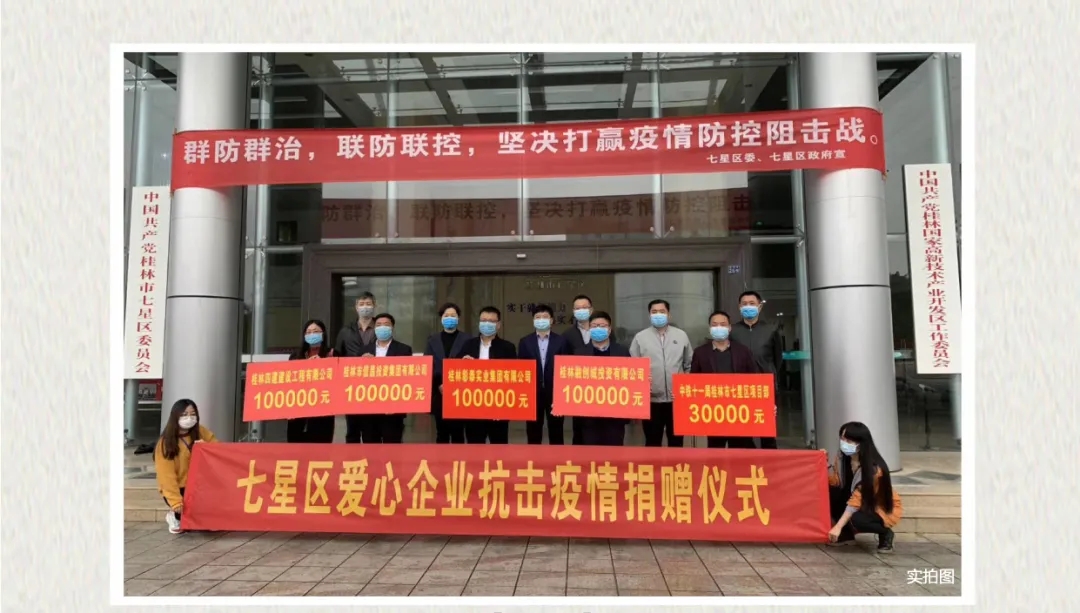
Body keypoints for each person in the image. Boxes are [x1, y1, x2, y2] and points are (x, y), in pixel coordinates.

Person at [826, 421, 902, 553]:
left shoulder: (874, 469)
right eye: (842, 438)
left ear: (861, 443)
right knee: (829, 493)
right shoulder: (843, 458)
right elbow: (836, 481)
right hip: (856, 500)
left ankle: (885, 532)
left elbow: (856, 501)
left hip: (876, 506)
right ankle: (847, 535)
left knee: (856, 519)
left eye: (849, 440)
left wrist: (837, 526)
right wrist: (823, 463)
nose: (844, 443)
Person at [690, 310, 762, 449]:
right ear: (709, 328)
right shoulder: (700, 353)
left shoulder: (743, 351)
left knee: (741, 451)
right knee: (715, 452)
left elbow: (753, 380)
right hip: (713, 413)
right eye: (714, 325)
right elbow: (693, 381)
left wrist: (764, 404)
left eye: (723, 324)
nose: (719, 327)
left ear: (729, 328)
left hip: (739, 412)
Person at [630, 299, 692, 447]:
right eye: (654, 312)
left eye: (662, 312)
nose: (658, 315)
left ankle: (676, 463)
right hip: (652, 401)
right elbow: (634, 368)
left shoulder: (681, 335)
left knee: (676, 443)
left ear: (669, 314)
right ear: (649, 315)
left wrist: (684, 386)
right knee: (652, 442)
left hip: (676, 400)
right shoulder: (640, 338)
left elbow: (689, 364)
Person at [154, 399, 218, 534]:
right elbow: (166, 477)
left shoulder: (201, 431)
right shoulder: (166, 443)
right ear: (175, 416)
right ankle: (174, 515)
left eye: (192, 414)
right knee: (185, 519)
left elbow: (219, 450)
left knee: (208, 522)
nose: (189, 418)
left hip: (201, 485)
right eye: (184, 414)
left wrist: (207, 448)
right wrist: (175, 501)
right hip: (181, 488)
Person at [729, 290, 783, 449]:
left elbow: (778, 359)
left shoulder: (771, 329)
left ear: (759, 307)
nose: (748, 307)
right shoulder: (733, 331)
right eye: (744, 304)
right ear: (739, 307)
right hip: (740, 387)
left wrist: (769, 375)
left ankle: (770, 461)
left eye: (752, 303)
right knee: (742, 433)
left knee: (767, 433)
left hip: (765, 387)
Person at [459, 306, 517, 444]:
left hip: (498, 407)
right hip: (473, 406)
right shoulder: (468, 345)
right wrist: (463, 364)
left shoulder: (508, 348)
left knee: (499, 447)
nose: (487, 324)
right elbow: (456, 373)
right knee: (475, 447)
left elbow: (514, 377)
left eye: (491, 321)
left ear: (498, 325)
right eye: (484, 320)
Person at [574, 311, 631, 446]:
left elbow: (631, 380)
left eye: (602, 326)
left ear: (609, 329)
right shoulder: (579, 353)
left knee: (614, 454)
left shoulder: (622, 352)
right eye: (594, 326)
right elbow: (571, 383)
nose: (598, 329)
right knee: (591, 454)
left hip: (615, 416)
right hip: (589, 417)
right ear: (589, 329)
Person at [355, 313, 413, 444]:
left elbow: (407, 378)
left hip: (393, 410)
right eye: (379, 325)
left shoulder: (404, 350)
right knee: (370, 447)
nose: (382, 327)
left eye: (386, 325)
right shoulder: (364, 350)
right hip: (369, 410)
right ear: (374, 328)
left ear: (392, 328)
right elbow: (356, 379)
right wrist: (363, 364)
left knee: (392, 448)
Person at [517, 304, 571, 445]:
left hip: (555, 394)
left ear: (551, 320)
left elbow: (565, 369)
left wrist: (562, 395)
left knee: (556, 431)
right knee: (533, 432)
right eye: (538, 317)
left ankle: (557, 458)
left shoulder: (561, 341)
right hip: (533, 394)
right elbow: (521, 369)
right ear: (533, 320)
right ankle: (533, 458)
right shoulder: (525, 342)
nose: (541, 320)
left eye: (545, 317)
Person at [423, 303, 471, 444]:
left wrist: (454, 385)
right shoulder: (432, 340)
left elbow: (470, 366)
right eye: (446, 315)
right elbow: (428, 365)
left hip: (460, 393)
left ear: (458, 318)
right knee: (441, 433)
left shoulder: (468, 339)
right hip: (439, 391)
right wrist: (439, 384)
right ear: (441, 318)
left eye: (453, 315)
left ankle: (458, 459)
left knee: (458, 434)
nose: (450, 318)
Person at [337, 291, 378, 443]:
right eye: (361, 304)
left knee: (371, 432)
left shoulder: (381, 328)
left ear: (374, 306)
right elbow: (338, 357)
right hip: (352, 387)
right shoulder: (345, 331)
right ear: (356, 307)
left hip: (375, 386)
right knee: (352, 430)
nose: (365, 307)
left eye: (368, 304)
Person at [286, 319, 336, 443]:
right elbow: (289, 381)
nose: (312, 334)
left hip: (323, 412)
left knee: (320, 448)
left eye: (316, 331)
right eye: (308, 332)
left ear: (323, 334)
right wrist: (306, 367)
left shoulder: (332, 354)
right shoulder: (296, 356)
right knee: (295, 448)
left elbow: (337, 382)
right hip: (298, 410)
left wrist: (323, 365)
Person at [563, 295, 596, 445]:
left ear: (591, 309)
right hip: (578, 389)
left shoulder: (602, 330)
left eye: (584, 307)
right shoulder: (567, 335)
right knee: (579, 430)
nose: (581, 311)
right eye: (578, 308)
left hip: (601, 386)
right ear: (573, 311)